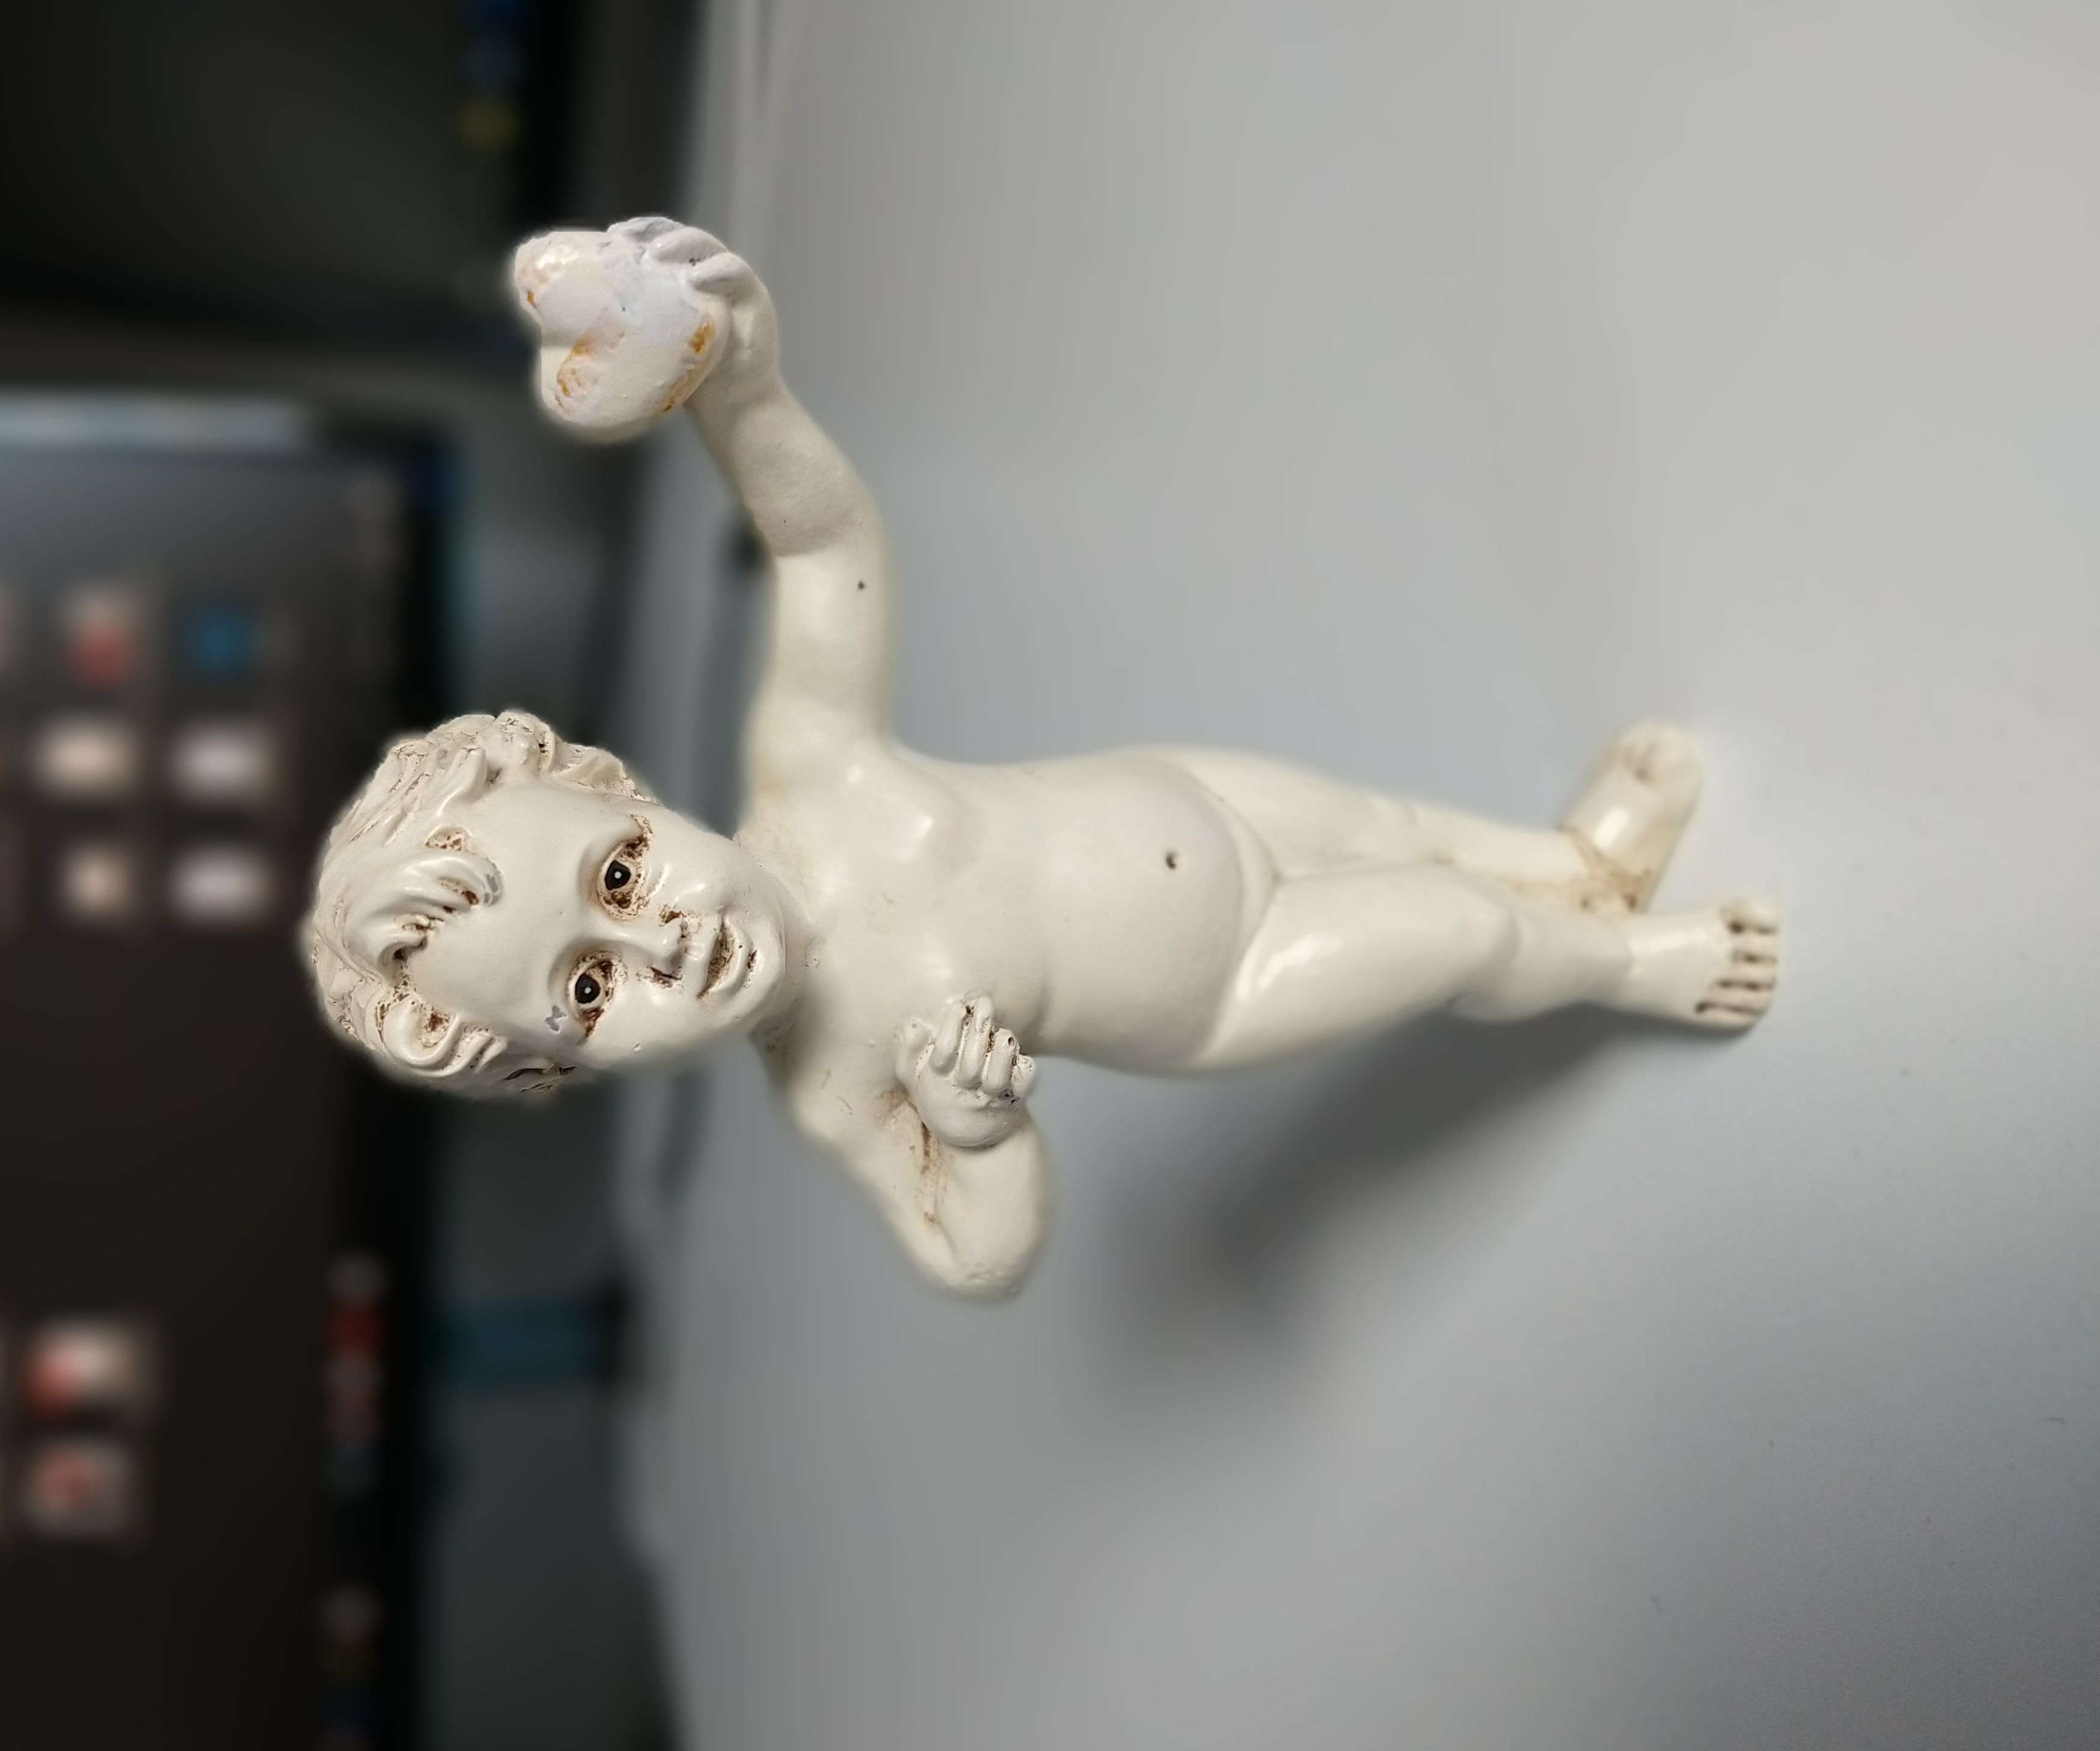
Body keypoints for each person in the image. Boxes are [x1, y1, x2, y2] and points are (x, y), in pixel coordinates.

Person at [306, 218, 1779, 1298]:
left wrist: (743, 398)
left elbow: (822, 549)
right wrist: (977, 1133)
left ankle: (1580, 863)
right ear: (562, 1071)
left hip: (1195, 797)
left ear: (623, 791)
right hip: (1223, 982)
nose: (663, 943)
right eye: (587, 991)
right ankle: (1630, 962)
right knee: (1454, 929)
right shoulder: (833, 1081)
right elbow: (971, 1258)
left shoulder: (813, 772)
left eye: (620, 875)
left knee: (1405, 827)